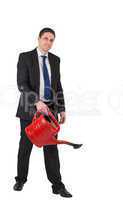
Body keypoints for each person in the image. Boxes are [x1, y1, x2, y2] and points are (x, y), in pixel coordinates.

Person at [13, 27, 72, 198]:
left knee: (51, 148)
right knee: (25, 145)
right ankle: (20, 179)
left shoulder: (55, 60)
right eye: (45, 38)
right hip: (29, 109)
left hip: (50, 111)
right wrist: (36, 101)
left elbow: (57, 86)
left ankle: (57, 185)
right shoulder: (25, 57)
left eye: (52, 39)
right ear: (38, 39)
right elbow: (21, 84)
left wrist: (62, 109)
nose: (48, 42)